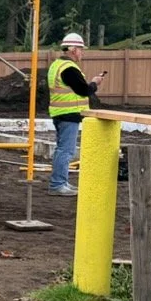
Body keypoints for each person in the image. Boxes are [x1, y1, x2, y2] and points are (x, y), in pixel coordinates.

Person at [47, 32, 107, 196]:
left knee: (63, 149)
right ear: (73, 50)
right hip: (68, 114)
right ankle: (58, 184)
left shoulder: (57, 65)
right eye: (81, 49)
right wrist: (95, 83)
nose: (82, 53)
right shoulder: (69, 69)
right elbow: (83, 90)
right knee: (66, 150)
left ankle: (61, 182)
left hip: (61, 113)